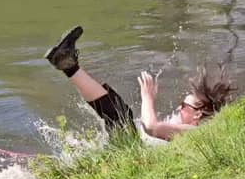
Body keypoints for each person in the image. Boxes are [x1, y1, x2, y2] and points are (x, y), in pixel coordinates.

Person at [45, 26, 236, 141]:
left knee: (121, 115)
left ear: (198, 114)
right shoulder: (188, 129)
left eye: (184, 105)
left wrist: (147, 98)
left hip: (136, 152)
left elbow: (151, 127)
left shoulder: (194, 131)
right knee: (118, 111)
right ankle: (67, 64)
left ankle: (67, 64)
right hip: (135, 148)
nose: (179, 107)